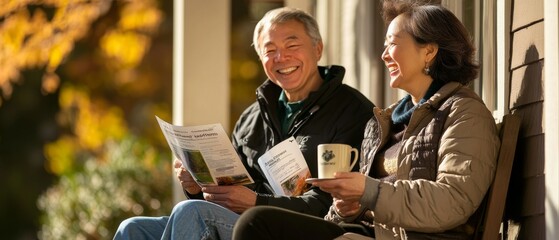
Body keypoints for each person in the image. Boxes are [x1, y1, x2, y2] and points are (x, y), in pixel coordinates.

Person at [231, 1, 500, 240]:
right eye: (384, 46)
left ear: (428, 51)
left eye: (392, 44)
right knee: (255, 223)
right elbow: (364, 202)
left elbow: (452, 201)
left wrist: (368, 192)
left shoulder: (463, 113)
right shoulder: (386, 121)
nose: (383, 55)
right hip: (365, 232)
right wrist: (347, 208)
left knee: (254, 223)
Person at [113, 7, 374, 240]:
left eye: (292, 45)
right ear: (261, 59)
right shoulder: (252, 118)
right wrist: (195, 186)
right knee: (133, 228)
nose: (281, 57)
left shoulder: (351, 110)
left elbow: (332, 203)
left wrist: (257, 202)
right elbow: (234, 189)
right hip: (245, 221)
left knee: (192, 214)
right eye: (269, 50)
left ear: (317, 49)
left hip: (307, 228)